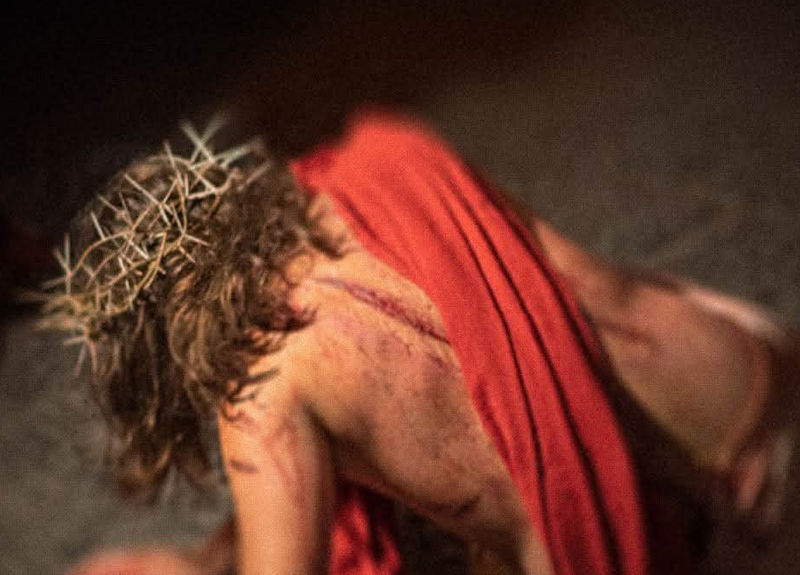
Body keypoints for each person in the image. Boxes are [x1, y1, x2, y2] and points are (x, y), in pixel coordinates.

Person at [47, 112, 797, 575]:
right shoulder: (374, 163)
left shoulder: (261, 398)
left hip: (709, 520)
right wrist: (212, 554)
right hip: (751, 366)